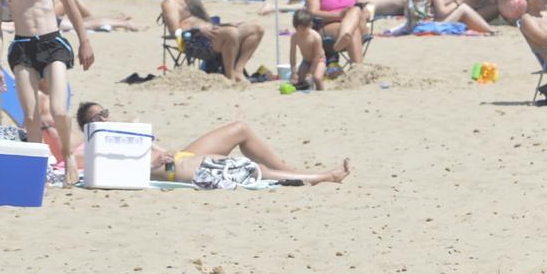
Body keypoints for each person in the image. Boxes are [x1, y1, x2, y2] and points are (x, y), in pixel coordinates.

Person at [0, 0, 94, 181]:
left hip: (52, 42)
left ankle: (68, 156)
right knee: (30, 115)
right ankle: (37, 171)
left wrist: (84, 40)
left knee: (58, 111)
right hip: (22, 46)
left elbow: (68, 1)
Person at [76, 102, 351, 185]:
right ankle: (324, 177)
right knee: (247, 168)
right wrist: (151, 165)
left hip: (182, 156)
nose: (104, 117)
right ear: (88, 128)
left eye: (105, 112)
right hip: (176, 168)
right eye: (97, 117)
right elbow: (110, 175)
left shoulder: (118, 133)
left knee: (239, 128)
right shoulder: (95, 149)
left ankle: (289, 169)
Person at [160, 0, 265, 81]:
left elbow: (208, 21)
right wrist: (198, 30)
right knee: (231, 33)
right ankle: (230, 77)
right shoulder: (169, 3)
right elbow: (176, 31)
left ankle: (238, 71)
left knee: (256, 28)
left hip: (212, 34)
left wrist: (228, 24)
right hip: (194, 42)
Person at [289, 9, 326, 91]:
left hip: (319, 61)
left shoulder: (315, 37)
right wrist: (293, 71)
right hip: (306, 61)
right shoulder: (295, 37)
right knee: (299, 81)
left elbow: (316, 57)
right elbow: (292, 55)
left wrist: (310, 73)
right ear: (299, 27)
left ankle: (322, 94)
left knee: (317, 78)